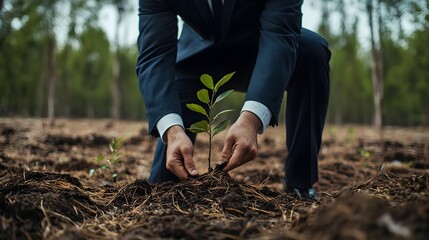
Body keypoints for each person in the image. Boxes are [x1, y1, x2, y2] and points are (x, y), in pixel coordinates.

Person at [136, 0, 330, 200]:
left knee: (312, 52)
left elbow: (280, 34)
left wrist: (251, 119)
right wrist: (172, 131)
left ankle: (300, 184)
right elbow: (154, 55)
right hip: (196, 58)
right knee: (164, 185)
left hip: (259, 48)